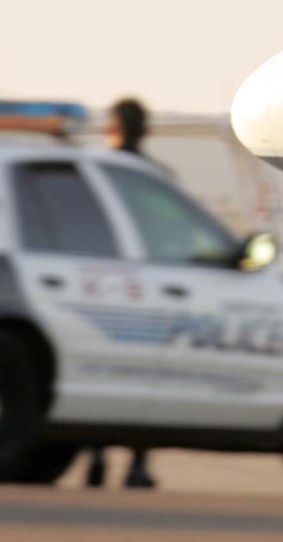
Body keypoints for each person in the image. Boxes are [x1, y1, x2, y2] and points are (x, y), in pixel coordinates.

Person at [86, 97, 157, 490]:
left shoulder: (97, 172)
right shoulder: (152, 177)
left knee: (100, 376)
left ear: (111, 128)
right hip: (146, 294)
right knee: (144, 381)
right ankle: (138, 464)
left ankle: (95, 456)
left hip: (102, 290)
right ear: (146, 131)